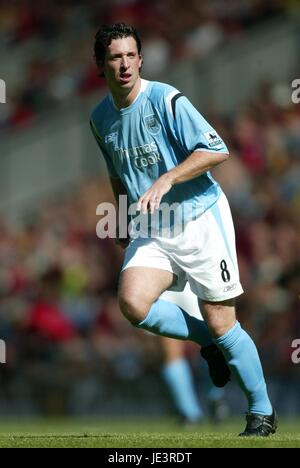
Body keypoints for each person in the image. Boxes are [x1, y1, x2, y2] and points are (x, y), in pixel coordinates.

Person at [90, 23, 277, 436]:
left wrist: (167, 178)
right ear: (101, 65)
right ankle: (207, 344)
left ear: (140, 59)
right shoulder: (100, 117)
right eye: (115, 57)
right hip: (155, 227)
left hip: (199, 218)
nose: (124, 64)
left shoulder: (165, 98)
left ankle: (261, 412)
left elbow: (216, 149)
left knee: (221, 320)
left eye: (130, 55)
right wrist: (122, 216)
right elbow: (117, 174)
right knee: (133, 304)